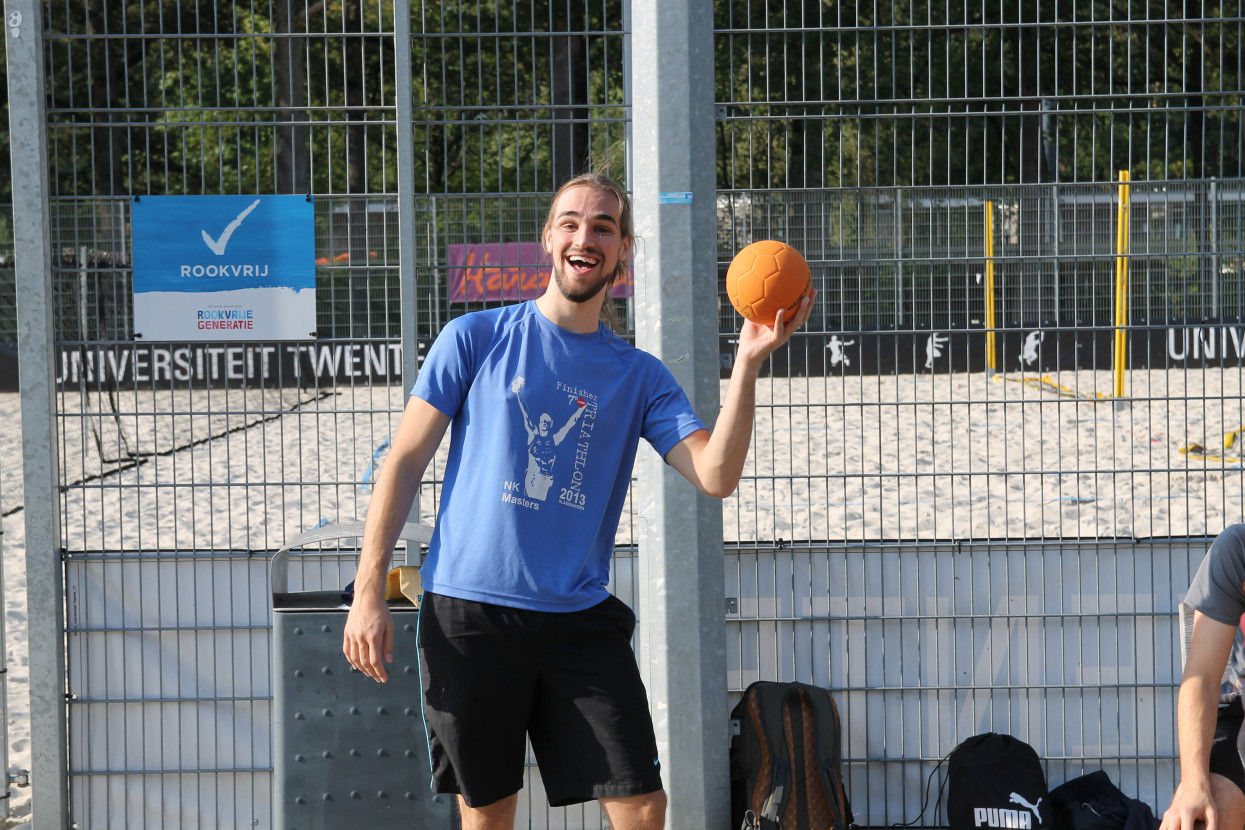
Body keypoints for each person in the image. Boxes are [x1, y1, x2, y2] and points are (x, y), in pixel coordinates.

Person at [341, 171, 815, 830]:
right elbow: (404, 462)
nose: (583, 236)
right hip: (469, 615)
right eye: (569, 222)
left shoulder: (637, 375)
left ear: (621, 251)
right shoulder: (474, 338)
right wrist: (367, 592)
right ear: (547, 239)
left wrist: (747, 364)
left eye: (601, 227)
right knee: (487, 816)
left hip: (577, 619)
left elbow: (714, 474)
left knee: (643, 808)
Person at [1162, 524, 1245, 830]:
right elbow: (1203, 678)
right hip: (1240, 718)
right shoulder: (1238, 548)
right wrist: (1193, 783)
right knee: (1198, 819)